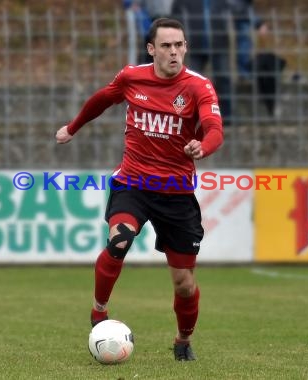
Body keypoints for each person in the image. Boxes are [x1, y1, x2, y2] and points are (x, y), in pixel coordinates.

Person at [55, 17, 224, 361]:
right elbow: (101, 99)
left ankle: (183, 340)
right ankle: (99, 312)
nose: (174, 52)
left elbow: (214, 128)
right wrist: (73, 127)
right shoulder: (132, 77)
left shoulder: (198, 87)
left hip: (176, 194)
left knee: (184, 284)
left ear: (186, 47)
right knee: (119, 242)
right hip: (133, 182)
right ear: (152, 49)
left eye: (179, 45)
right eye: (166, 46)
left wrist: (202, 147)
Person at [171, 0, 233, 125]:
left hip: (219, 43)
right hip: (194, 45)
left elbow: (230, 16)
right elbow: (176, 19)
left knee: (223, 79)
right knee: (190, 83)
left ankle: (227, 117)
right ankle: (188, 116)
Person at [228, 0, 268, 80]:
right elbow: (240, 8)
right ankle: (244, 73)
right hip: (240, 14)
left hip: (240, 12)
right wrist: (258, 23)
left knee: (244, 42)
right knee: (244, 42)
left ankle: (244, 73)